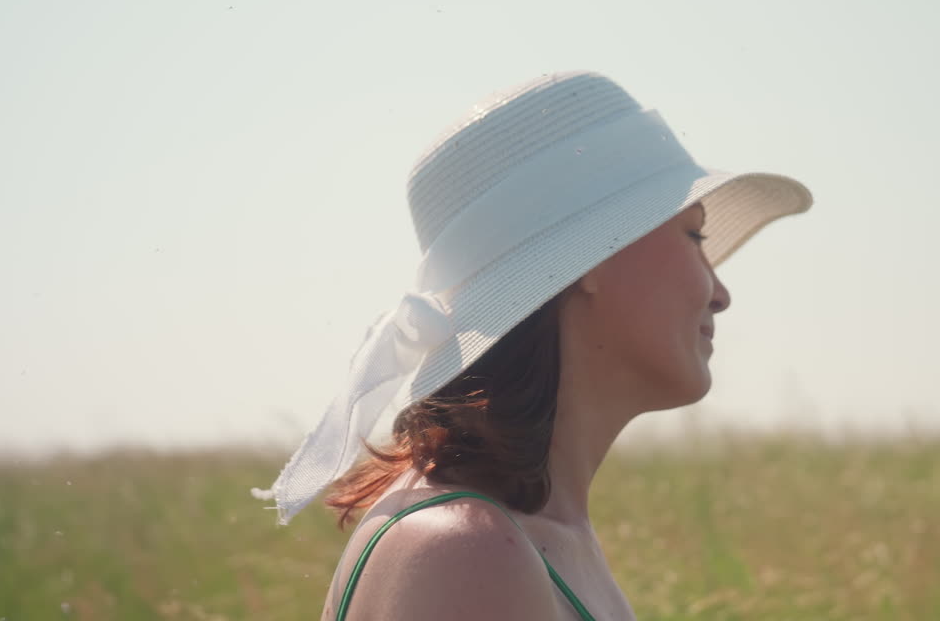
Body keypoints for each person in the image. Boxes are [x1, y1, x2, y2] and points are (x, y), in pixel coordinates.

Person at [251, 71, 813, 620]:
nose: (720, 293)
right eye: (693, 235)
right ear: (592, 259)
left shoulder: (527, 533)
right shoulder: (466, 550)